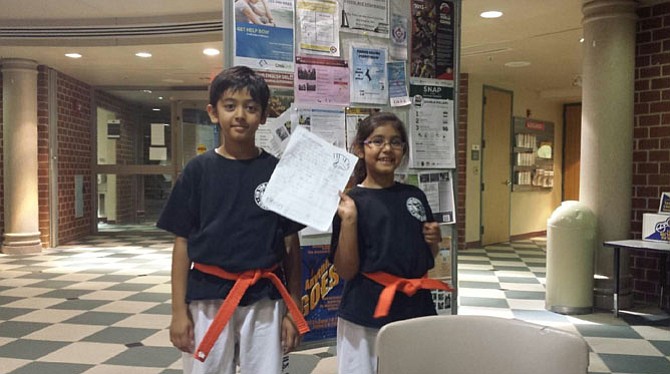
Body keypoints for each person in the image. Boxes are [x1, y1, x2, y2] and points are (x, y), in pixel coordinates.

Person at [157, 66, 308, 374]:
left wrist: (294, 308)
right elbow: (182, 241)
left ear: (264, 116)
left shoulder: (277, 172)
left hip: (265, 297)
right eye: (230, 106)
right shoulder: (198, 171)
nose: (240, 114)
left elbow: (291, 244)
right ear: (213, 113)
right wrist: (178, 311)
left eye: (251, 108)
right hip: (207, 296)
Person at [330, 112, 452, 374]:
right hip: (366, 311)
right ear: (360, 149)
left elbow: (426, 258)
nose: (387, 148)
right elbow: (346, 271)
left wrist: (433, 241)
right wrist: (349, 222)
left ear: (404, 150)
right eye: (377, 141)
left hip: (415, 307)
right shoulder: (352, 201)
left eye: (396, 142)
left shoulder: (414, 195)